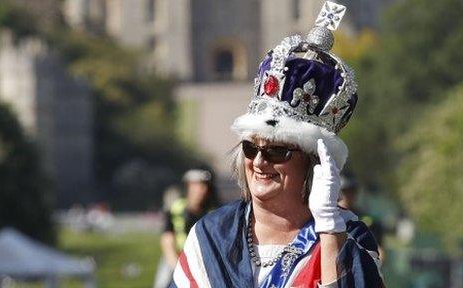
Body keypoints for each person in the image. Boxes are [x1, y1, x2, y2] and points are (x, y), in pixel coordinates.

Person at [170, 2, 384, 287]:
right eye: (251, 147)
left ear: (313, 161)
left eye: (277, 151)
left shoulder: (349, 234)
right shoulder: (211, 234)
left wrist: (330, 231)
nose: (259, 162)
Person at [154, 169, 218, 288]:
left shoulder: (212, 213)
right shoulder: (176, 208)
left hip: (200, 260)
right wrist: (177, 266)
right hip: (175, 257)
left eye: (205, 186)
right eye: (199, 185)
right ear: (189, 186)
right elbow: (167, 240)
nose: (202, 190)